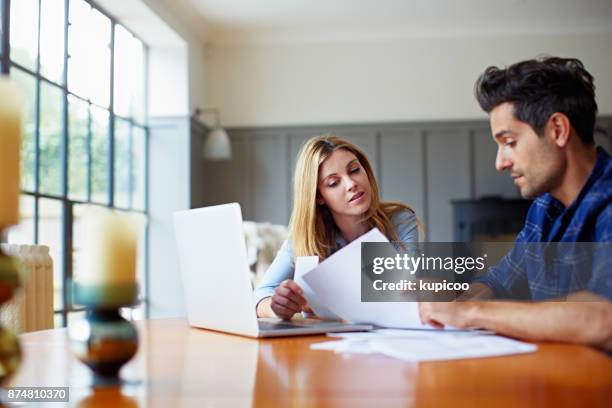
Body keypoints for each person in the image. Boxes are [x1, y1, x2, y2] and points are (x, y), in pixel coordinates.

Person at [419, 56, 612, 351]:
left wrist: (470, 313)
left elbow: (603, 319)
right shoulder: (544, 207)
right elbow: (499, 282)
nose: (500, 162)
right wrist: (447, 300)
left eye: (509, 142)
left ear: (558, 130)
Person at [255, 134, 420, 319]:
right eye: (334, 183)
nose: (351, 184)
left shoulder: (400, 220)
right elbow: (260, 295)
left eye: (355, 170)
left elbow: (410, 290)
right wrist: (277, 307)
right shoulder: (305, 237)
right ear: (319, 197)